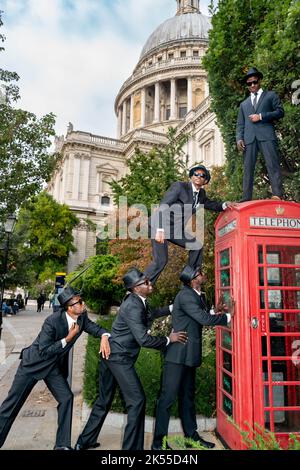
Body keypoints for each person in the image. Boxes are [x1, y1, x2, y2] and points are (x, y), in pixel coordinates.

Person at [75, 268, 188, 451]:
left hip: (110, 355)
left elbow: (151, 314)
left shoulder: (140, 301)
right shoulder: (133, 305)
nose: (150, 284)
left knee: (104, 400)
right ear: (136, 288)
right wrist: (169, 339)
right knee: (137, 400)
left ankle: (84, 441)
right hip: (118, 358)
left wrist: (173, 307)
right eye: (146, 283)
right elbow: (143, 339)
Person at [0, 286, 110, 450]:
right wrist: (68, 338)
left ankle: (62, 445)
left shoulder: (82, 317)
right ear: (70, 307)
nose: (83, 303)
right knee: (11, 406)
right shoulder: (52, 321)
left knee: (66, 398)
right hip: (33, 364)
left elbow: (96, 328)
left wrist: (104, 336)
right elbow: (44, 350)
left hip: (52, 367)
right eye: (79, 301)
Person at [152, 265, 233, 450]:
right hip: (177, 356)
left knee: (188, 398)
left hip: (188, 356)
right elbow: (204, 320)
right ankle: (158, 445)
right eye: (200, 273)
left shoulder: (197, 295)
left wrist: (216, 311)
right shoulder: (186, 295)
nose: (203, 274)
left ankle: (191, 438)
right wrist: (228, 317)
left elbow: (199, 316)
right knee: (167, 399)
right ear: (192, 278)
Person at [144, 165, 236, 284]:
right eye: (196, 174)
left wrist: (224, 205)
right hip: (159, 225)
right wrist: (160, 229)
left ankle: (191, 277)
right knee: (161, 260)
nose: (198, 176)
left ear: (205, 180)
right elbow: (164, 205)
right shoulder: (180, 187)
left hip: (175, 230)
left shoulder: (201, 194)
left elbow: (209, 203)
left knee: (196, 245)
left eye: (202, 175)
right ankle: (140, 286)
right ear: (191, 176)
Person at [236, 67, 284, 202]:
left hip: (267, 136)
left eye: (254, 82)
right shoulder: (243, 104)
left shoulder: (270, 95)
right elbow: (240, 124)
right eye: (249, 83)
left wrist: (261, 116)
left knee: (272, 164)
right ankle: (246, 198)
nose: (252, 85)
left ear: (259, 81)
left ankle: (278, 194)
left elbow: (280, 112)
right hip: (249, 139)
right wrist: (239, 138)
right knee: (248, 169)